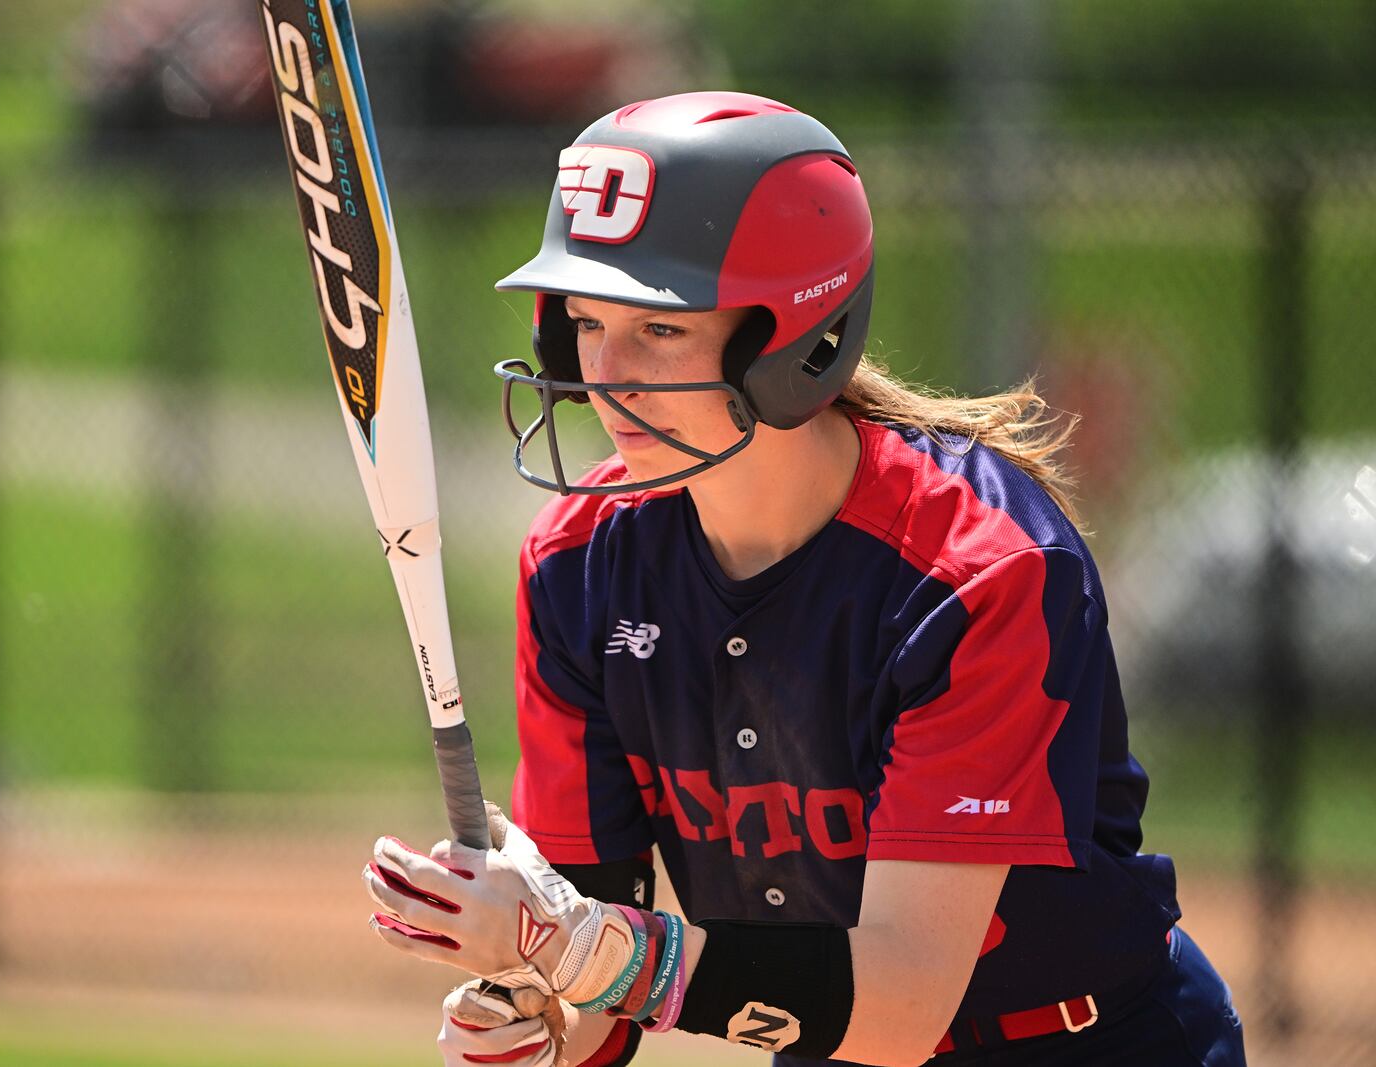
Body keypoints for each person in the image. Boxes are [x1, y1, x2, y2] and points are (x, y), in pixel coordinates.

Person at [362, 91, 1246, 1067]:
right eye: (583, 320)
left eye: (658, 329)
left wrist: (581, 950)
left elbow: (903, 1000)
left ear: (798, 336)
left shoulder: (973, 569)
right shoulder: (578, 567)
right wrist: (541, 1024)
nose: (603, 374)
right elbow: (592, 974)